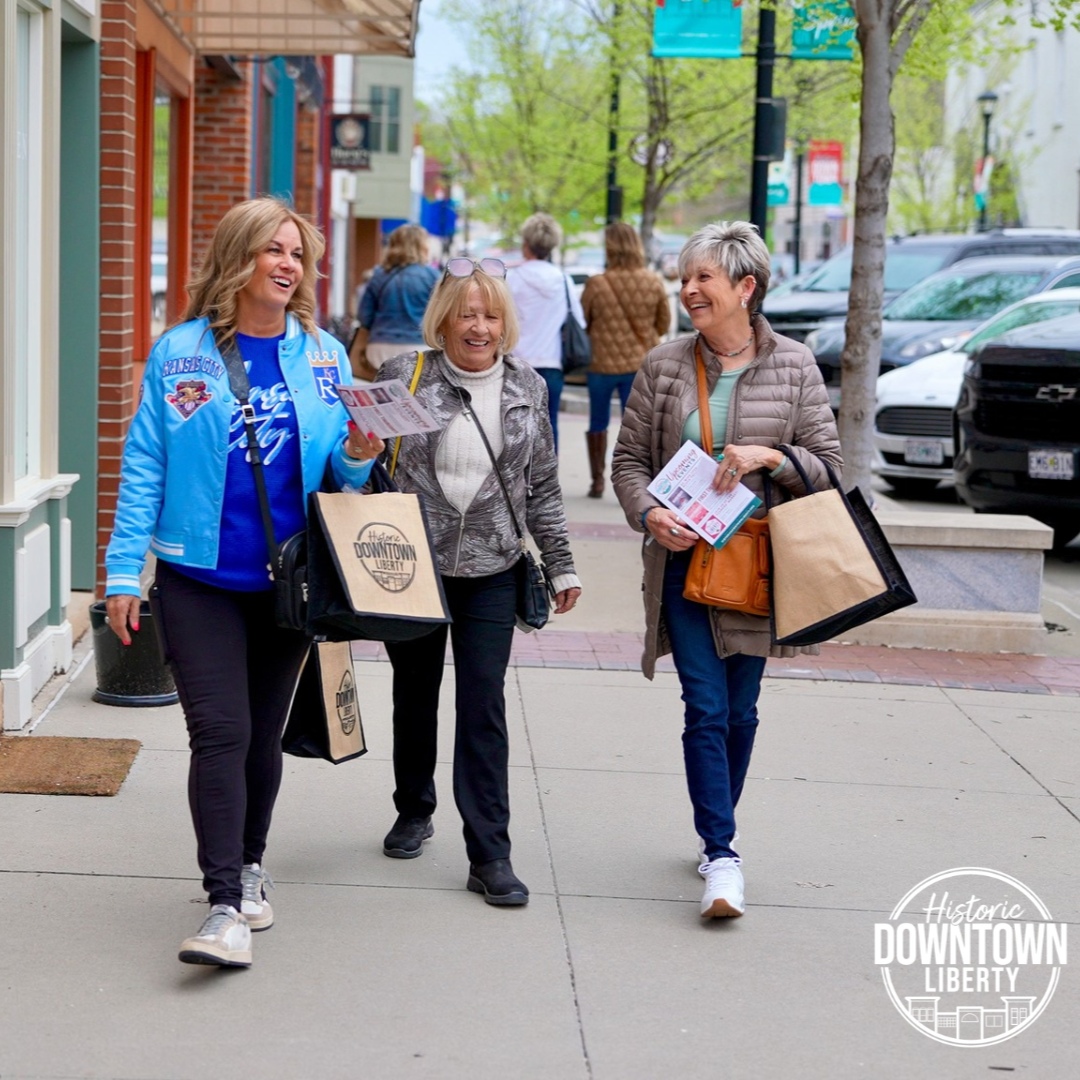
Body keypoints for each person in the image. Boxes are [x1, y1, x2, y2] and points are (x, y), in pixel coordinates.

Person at [104, 197, 385, 967]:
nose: (289, 265)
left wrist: (360, 449)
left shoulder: (324, 357)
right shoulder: (180, 352)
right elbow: (145, 465)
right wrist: (124, 571)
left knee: (261, 733)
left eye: (297, 252)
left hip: (286, 584)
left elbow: (341, 474)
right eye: (273, 250)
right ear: (239, 258)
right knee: (219, 732)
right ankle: (223, 901)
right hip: (197, 577)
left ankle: (252, 865)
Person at [610, 221, 842, 921]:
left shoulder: (795, 365)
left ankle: (718, 828)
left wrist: (772, 458)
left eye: (702, 278)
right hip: (685, 566)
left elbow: (831, 470)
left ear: (746, 287)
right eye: (685, 279)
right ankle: (722, 852)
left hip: (759, 570)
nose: (688, 290)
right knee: (705, 708)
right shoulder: (664, 364)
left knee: (741, 712)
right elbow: (629, 465)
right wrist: (650, 514)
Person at [376, 256, 582, 906]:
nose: (479, 326)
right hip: (413, 566)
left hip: (494, 567)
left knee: (483, 706)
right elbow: (364, 471)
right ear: (444, 319)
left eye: (490, 314)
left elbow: (542, 483)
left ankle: (490, 852)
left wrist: (561, 563)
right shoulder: (405, 377)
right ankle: (414, 806)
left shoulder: (528, 386)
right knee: (415, 694)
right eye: (467, 314)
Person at [580, 223, 671, 498]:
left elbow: (585, 320)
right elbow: (664, 323)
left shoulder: (597, 283)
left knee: (598, 422)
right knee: (638, 427)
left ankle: (597, 482)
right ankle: (636, 485)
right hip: (638, 366)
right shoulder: (653, 281)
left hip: (601, 365)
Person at [506, 213, 585, 452]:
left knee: (511, 428)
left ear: (526, 244)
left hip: (514, 364)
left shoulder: (512, 278)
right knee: (549, 427)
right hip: (550, 364)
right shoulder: (563, 280)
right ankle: (546, 484)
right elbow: (578, 320)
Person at [354, 223, 438, 376]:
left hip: (380, 345)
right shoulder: (432, 276)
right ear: (422, 246)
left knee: (384, 393)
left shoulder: (379, 275)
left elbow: (364, 316)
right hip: (420, 345)